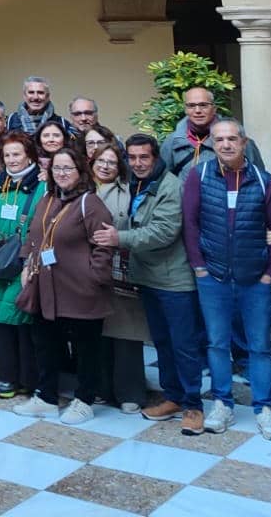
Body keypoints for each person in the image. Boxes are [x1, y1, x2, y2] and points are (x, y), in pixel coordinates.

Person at [94, 134, 204, 436]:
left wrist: (119, 238)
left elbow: (164, 232)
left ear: (156, 157)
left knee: (184, 345)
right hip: (147, 278)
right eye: (132, 157)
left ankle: (193, 404)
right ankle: (173, 397)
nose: (138, 163)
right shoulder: (136, 183)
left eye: (144, 157)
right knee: (163, 342)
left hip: (174, 280)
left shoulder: (170, 186)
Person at [181, 119, 271, 438]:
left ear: (244, 142)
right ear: (212, 143)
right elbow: (190, 223)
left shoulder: (263, 181)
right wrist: (199, 267)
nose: (225, 144)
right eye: (219, 139)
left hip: (255, 279)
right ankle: (222, 403)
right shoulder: (199, 176)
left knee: (259, 346)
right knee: (216, 342)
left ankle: (264, 407)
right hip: (212, 276)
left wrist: (270, 273)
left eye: (232, 139)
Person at [15, 146, 113, 424]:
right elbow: (33, 235)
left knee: (86, 347)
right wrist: (26, 263)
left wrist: (95, 278)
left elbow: (103, 246)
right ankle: (46, 397)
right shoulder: (47, 199)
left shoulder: (89, 203)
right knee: (45, 343)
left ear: (80, 171)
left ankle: (84, 400)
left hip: (81, 289)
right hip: (45, 285)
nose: (61, 174)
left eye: (68, 168)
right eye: (57, 168)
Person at [0, 132, 43, 401]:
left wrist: (31, 258)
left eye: (17, 154)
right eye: (7, 155)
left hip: (25, 262)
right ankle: (8, 377)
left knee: (21, 319)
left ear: (29, 155)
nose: (12, 159)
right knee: (0, 322)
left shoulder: (43, 184)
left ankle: (28, 379)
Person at [90, 142, 148, 414]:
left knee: (126, 332)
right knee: (96, 332)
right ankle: (100, 387)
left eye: (111, 162)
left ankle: (130, 391)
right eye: (101, 160)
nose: (105, 166)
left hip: (120, 269)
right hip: (87, 270)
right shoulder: (82, 188)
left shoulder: (129, 190)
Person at [162, 87, 262, 176]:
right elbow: (164, 181)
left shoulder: (239, 140)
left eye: (203, 105)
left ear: (214, 109)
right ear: (185, 110)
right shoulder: (172, 142)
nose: (197, 110)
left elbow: (258, 177)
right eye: (191, 105)